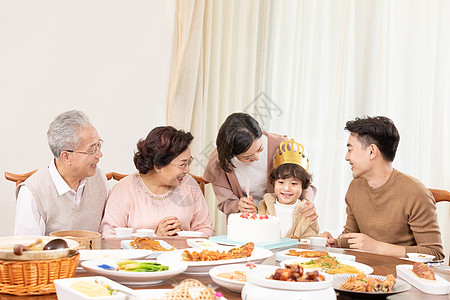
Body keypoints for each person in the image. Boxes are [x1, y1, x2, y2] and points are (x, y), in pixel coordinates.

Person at [320, 116, 444, 259]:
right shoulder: (356, 186)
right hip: (364, 272)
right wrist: (337, 243)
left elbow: (434, 254)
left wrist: (377, 247)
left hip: (401, 276)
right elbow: (351, 236)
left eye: (350, 150)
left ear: (372, 151)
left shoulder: (415, 192)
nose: (347, 157)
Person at [101, 126, 214, 238]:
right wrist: (155, 238)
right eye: (182, 164)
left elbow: (206, 228)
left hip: (183, 255)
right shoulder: (124, 189)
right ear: (158, 165)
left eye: (189, 162)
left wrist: (182, 235)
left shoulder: (189, 184)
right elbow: (110, 236)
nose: (187, 170)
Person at [203, 112, 317, 218]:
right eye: (248, 157)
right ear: (231, 154)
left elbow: (306, 183)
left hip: (283, 220)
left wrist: (307, 201)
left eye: (260, 148)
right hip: (248, 224)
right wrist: (238, 205)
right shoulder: (219, 161)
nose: (257, 157)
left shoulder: (282, 146)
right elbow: (226, 202)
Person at [14, 110, 109, 236]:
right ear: (66, 157)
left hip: (95, 255)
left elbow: (108, 233)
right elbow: (28, 249)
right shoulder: (32, 192)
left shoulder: (99, 178)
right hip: (53, 256)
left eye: (99, 145)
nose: (99, 154)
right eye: (92, 150)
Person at [258, 139, 319, 239]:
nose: (286, 188)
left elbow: (310, 237)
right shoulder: (264, 206)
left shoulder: (307, 212)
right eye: (281, 182)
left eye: (294, 183)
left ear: (303, 186)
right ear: (274, 183)